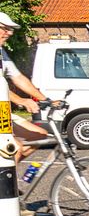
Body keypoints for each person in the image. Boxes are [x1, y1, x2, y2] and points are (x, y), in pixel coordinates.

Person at [0, 13, 51, 163]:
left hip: (2, 112)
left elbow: (18, 78)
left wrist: (46, 100)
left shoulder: (1, 53)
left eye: (10, 30)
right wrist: (21, 100)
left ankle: (9, 176)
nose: (9, 33)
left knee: (39, 135)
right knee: (13, 148)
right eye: (5, 28)